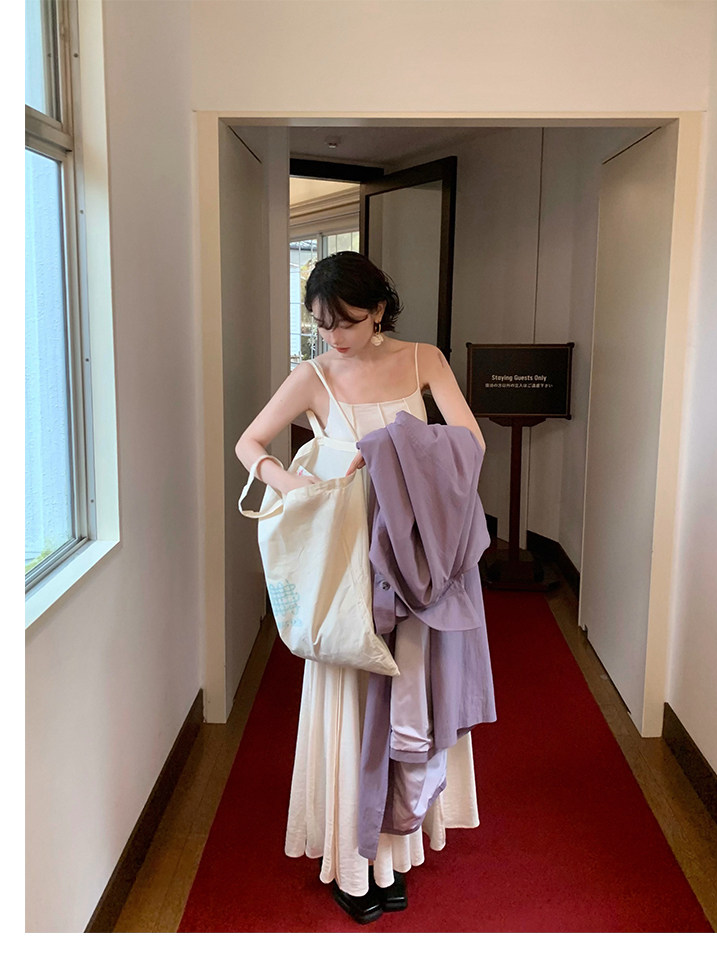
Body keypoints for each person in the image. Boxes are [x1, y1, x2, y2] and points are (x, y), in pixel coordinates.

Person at [234, 251, 487, 925]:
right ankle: (354, 865)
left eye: (345, 321)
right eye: (322, 324)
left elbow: (470, 444)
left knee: (408, 698)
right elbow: (250, 443)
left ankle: (394, 855)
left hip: (414, 560)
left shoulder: (425, 359)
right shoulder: (313, 375)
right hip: (348, 562)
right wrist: (294, 481)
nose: (334, 337)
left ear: (378, 310)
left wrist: (393, 457)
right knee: (351, 702)